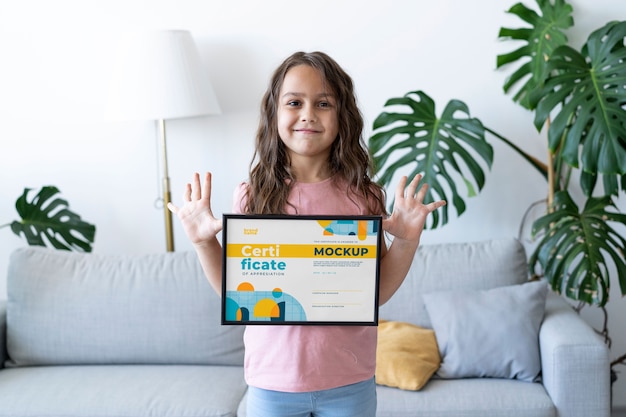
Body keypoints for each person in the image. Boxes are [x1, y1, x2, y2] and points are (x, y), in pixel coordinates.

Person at [168, 51, 446, 417]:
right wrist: (205, 242)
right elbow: (240, 293)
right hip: (273, 381)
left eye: (323, 103)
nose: (308, 114)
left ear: (342, 115)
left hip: (350, 380)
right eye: (294, 102)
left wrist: (407, 240)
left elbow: (372, 294)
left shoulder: (363, 197)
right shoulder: (252, 196)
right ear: (274, 114)